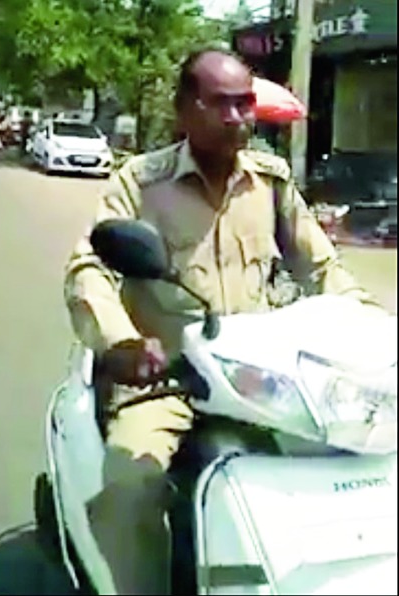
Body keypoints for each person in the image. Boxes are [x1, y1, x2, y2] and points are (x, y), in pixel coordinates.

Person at [64, 47, 384, 595]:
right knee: (128, 490)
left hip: (262, 380)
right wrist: (123, 343)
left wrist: (372, 328)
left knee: (359, 464)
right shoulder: (141, 182)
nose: (238, 117)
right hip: (165, 379)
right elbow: (89, 269)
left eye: (245, 104)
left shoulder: (270, 182)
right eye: (220, 104)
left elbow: (321, 268)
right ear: (184, 109)